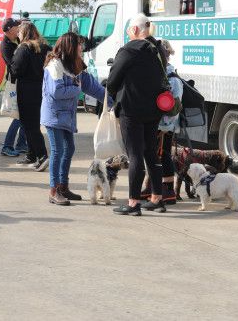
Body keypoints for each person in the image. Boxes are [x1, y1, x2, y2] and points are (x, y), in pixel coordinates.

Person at [107, 13, 167, 216]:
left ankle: (133, 203)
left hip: (131, 110)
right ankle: (157, 198)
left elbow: (113, 80)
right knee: (151, 153)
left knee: (135, 155)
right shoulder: (157, 50)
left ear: (134, 30)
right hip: (153, 111)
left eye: (128, 31)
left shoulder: (128, 50)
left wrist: (115, 94)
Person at [41, 32, 109, 205]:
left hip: (66, 117)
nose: (82, 48)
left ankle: (63, 186)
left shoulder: (75, 65)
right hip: (54, 115)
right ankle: (53, 190)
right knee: (58, 151)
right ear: (70, 46)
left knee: (69, 149)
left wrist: (112, 102)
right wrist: (76, 89)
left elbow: (93, 88)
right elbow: (56, 92)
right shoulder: (54, 65)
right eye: (79, 44)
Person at [12, 21, 51, 170]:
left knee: (30, 125)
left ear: (23, 33)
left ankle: (42, 156)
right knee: (33, 123)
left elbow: (16, 69)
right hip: (43, 89)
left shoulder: (24, 48)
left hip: (27, 90)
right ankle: (32, 155)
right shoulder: (46, 48)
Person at [155, 39, 183, 206]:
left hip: (164, 125)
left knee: (163, 155)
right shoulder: (171, 75)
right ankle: (162, 188)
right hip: (167, 125)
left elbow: (172, 107)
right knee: (162, 155)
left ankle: (168, 190)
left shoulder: (169, 78)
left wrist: (164, 127)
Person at [0, 18, 28, 157]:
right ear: (10, 29)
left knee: (23, 116)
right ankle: (7, 145)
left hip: (21, 82)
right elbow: (14, 66)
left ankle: (22, 144)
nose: (19, 28)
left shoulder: (15, 40)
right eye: (17, 26)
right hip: (15, 83)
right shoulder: (6, 45)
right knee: (18, 115)